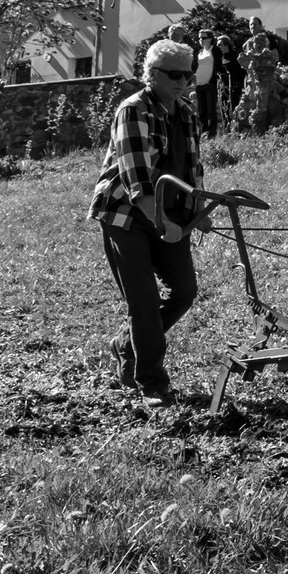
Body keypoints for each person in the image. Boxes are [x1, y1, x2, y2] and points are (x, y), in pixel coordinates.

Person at [88, 39, 213, 408]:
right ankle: (152, 382)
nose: (183, 82)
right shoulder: (134, 110)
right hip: (126, 215)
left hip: (170, 214)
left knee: (185, 291)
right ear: (152, 74)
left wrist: (198, 210)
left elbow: (192, 168)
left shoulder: (186, 113)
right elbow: (137, 180)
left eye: (187, 75)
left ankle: (125, 344)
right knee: (143, 302)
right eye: (174, 75)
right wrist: (162, 222)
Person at [193, 29, 219, 139]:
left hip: (210, 84)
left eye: (203, 38)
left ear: (210, 39)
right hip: (199, 85)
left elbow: (218, 66)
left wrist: (212, 81)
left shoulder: (215, 50)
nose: (201, 40)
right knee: (202, 112)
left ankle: (212, 134)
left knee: (211, 111)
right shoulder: (200, 52)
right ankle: (204, 133)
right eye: (199, 38)